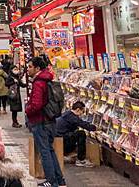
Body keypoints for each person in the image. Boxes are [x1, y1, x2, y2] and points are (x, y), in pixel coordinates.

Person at [26, 56, 66, 187]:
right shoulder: (47, 79)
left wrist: (28, 109)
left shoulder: (38, 82)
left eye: (30, 66)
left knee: (45, 152)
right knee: (49, 150)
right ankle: (60, 181)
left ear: (37, 68)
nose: (28, 69)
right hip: (50, 120)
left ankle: (51, 181)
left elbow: (36, 104)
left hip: (41, 121)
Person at [56, 101, 97, 168]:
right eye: (82, 111)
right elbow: (83, 124)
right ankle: (81, 160)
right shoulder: (72, 117)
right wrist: (95, 128)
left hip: (59, 138)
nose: (82, 114)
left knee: (76, 133)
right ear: (78, 109)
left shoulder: (67, 114)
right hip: (63, 140)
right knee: (81, 134)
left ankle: (70, 154)